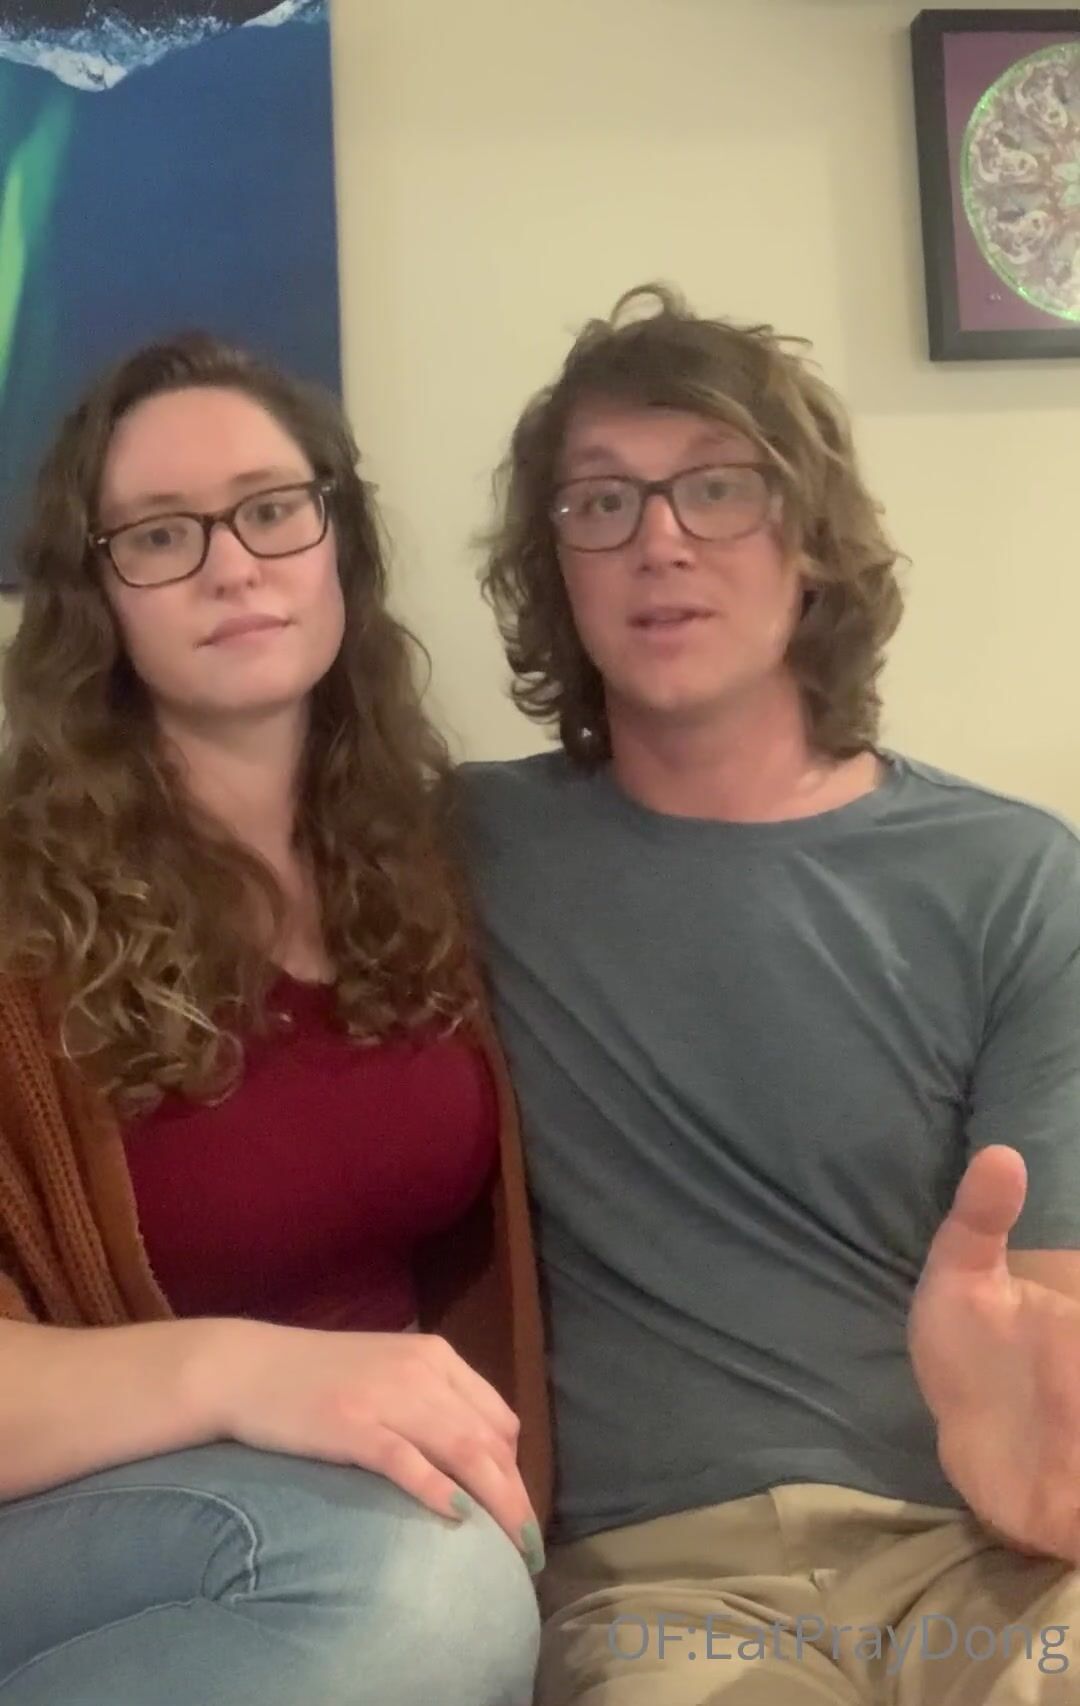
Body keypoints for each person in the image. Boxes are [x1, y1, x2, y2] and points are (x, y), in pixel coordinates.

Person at [460, 284, 1080, 1704]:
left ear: (811, 540)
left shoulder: (1011, 876)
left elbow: (1051, 1305)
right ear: (558, 568)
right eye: (601, 502)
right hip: (660, 1589)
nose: (659, 539)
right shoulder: (461, 853)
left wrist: (1043, 1459)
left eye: (717, 486)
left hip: (981, 1556)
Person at [0, 333, 551, 1706]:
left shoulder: (435, 857)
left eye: (270, 508)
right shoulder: (17, 916)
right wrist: (247, 1375)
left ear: (336, 539)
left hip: (361, 1528)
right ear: (93, 594)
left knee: (440, 1575)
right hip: (86, 1529)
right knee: (426, 1594)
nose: (232, 565)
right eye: (159, 534)